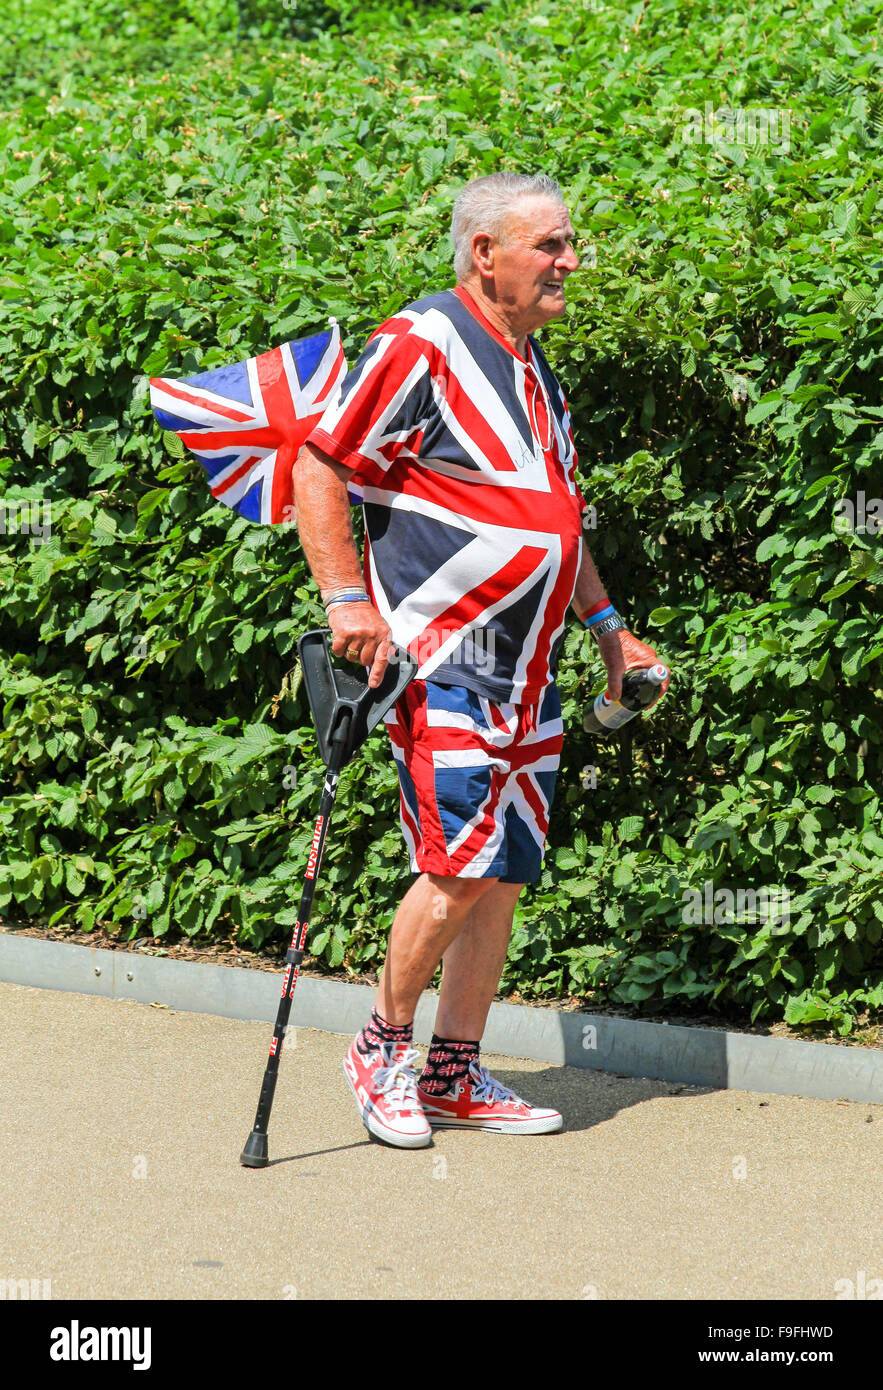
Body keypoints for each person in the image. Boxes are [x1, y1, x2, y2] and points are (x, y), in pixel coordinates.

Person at [292, 171, 669, 1148]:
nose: (569, 262)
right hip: (444, 659)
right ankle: (380, 1050)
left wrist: (609, 628)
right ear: (483, 254)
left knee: (500, 871)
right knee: (457, 866)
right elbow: (322, 461)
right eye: (549, 245)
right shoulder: (422, 340)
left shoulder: (536, 370)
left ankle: (455, 1072)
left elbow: (559, 520)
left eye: (568, 242)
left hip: (531, 669)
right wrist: (345, 599)